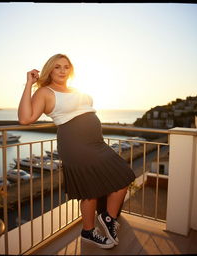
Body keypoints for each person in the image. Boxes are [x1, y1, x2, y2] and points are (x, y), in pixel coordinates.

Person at [18, 53, 136, 249]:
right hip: (75, 144)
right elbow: (25, 118)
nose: (63, 70)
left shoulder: (76, 89)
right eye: (57, 67)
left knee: (119, 178)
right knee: (93, 188)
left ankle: (104, 220)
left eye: (66, 66)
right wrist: (29, 84)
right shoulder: (45, 92)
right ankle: (93, 229)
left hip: (95, 142)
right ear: (50, 70)